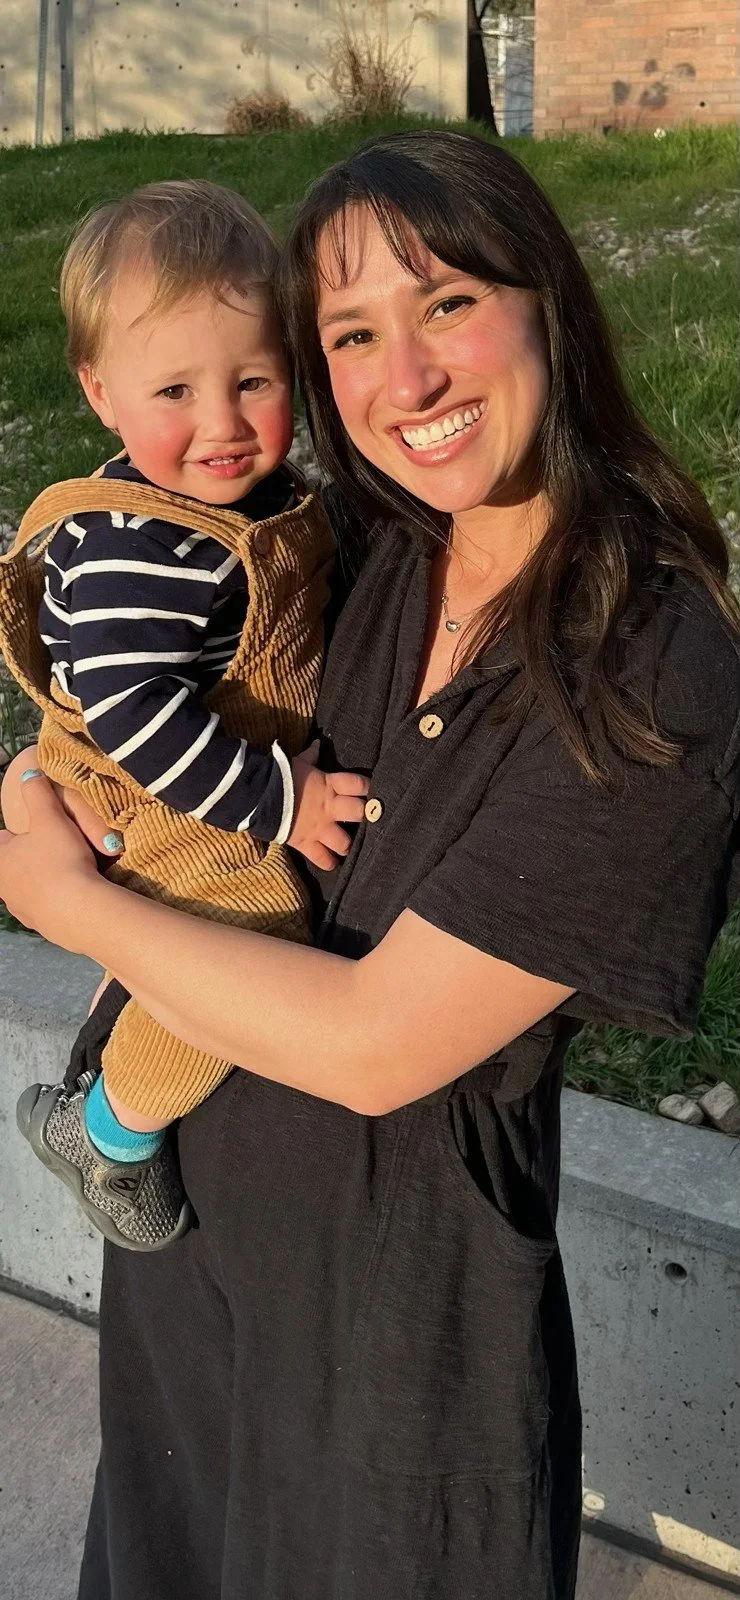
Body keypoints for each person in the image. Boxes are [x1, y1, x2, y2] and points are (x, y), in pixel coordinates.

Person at [0, 129, 738, 1600]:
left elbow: (376, 1045)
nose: (408, 381)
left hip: (401, 1332)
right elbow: (135, 683)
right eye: (352, 333)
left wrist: (64, 898)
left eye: (449, 303)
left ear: (550, 306)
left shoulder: (655, 669)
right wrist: (54, 773)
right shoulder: (366, 545)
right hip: (187, 1239)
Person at [0, 179, 366, 1250]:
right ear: (98, 391)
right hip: (146, 774)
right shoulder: (137, 543)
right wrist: (274, 802)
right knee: (249, 934)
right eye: (174, 392)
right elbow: (132, 711)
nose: (221, 424)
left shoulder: (248, 500)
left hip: (180, 750)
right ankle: (107, 1129)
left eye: (253, 380)